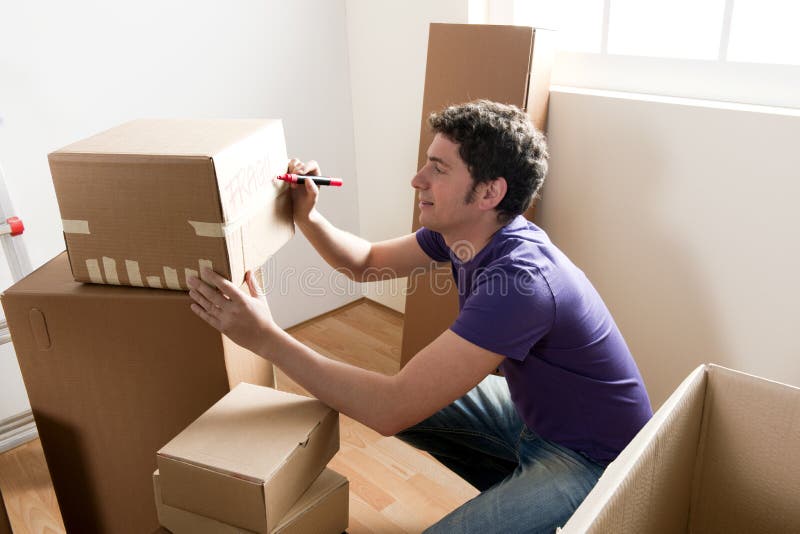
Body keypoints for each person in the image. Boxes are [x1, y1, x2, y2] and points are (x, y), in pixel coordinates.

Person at [187, 100, 652, 533]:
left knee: (391, 400)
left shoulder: (523, 282)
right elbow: (366, 262)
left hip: (597, 460)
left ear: (490, 192)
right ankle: (522, 496)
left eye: (438, 169)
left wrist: (265, 337)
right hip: (535, 418)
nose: (417, 180)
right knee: (384, 391)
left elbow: (389, 410)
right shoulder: (464, 234)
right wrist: (309, 216)